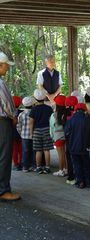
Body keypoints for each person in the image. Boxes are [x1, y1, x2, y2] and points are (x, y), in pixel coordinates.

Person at [0, 51, 21, 201]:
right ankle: (3, 190)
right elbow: (7, 104)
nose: (7, 68)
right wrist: (13, 116)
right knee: (4, 156)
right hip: (2, 123)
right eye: (6, 66)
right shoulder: (0, 83)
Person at [65, 103, 90, 189]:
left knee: (77, 165)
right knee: (86, 165)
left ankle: (80, 182)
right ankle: (88, 181)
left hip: (73, 147)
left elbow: (66, 133)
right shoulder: (87, 119)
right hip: (85, 147)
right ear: (85, 110)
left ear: (75, 110)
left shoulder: (71, 120)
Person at [29, 89, 54, 174]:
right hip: (47, 130)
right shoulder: (49, 108)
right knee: (46, 150)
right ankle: (47, 167)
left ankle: (38, 167)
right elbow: (51, 120)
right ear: (44, 98)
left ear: (35, 99)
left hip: (36, 131)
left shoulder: (33, 109)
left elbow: (31, 122)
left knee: (38, 150)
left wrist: (31, 133)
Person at [50, 95, 67, 177]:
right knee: (65, 154)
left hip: (58, 136)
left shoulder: (54, 115)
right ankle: (66, 169)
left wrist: (52, 137)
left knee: (60, 155)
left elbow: (52, 127)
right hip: (66, 136)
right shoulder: (67, 114)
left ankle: (61, 170)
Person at [17, 96, 35, 172]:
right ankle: (34, 166)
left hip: (24, 135)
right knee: (34, 150)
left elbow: (18, 126)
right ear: (32, 104)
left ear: (24, 105)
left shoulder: (21, 114)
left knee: (25, 151)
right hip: (34, 135)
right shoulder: (34, 113)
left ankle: (25, 167)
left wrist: (21, 133)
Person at [65, 95, 78, 185]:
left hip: (69, 139)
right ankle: (78, 176)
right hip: (78, 138)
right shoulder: (78, 114)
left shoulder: (64, 114)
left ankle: (71, 176)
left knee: (69, 158)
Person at [12, 96, 23, 171]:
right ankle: (21, 163)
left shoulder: (9, 113)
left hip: (12, 134)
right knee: (21, 149)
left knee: (14, 150)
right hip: (21, 133)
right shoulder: (21, 112)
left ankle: (15, 164)